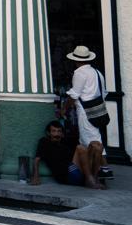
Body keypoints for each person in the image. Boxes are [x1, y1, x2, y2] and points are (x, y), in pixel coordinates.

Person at [65, 45, 112, 179]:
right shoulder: (97, 72)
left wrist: (64, 108)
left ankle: (104, 168)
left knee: (90, 140)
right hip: (98, 109)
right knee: (95, 137)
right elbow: (103, 93)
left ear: (76, 60)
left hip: (85, 111)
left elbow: (74, 94)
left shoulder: (79, 73)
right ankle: (99, 168)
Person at [31, 120, 104, 189]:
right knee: (80, 148)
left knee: (97, 145)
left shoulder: (65, 141)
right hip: (66, 174)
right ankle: (90, 181)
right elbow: (37, 160)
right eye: (54, 131)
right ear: (48, 133)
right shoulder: (44, 142)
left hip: (80, 170)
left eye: (59, 131)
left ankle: (94, 178)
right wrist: (35, 176)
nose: (56, 134)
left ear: (62, 133)